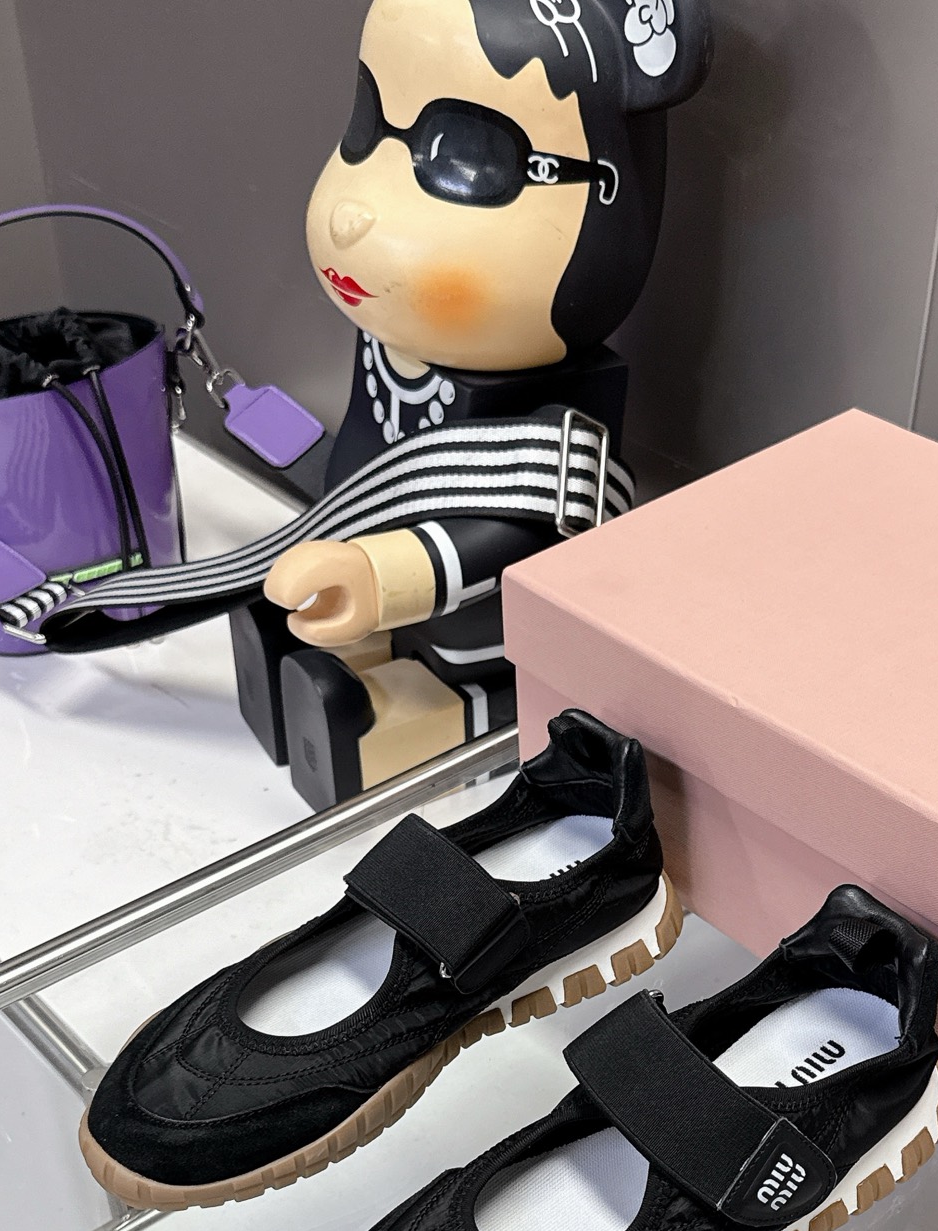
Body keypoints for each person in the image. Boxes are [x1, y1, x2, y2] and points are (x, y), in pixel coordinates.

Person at [237, 0, 711, 806]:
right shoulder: (389, 344)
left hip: (482, 634)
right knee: (313, 633)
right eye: (367, 126)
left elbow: (515, 532)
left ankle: (410, 725)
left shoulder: (556, 439)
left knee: (451, 686)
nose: (354, 208)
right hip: (381, 580)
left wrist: (383, 574)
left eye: (466, 156)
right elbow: (369, 449)